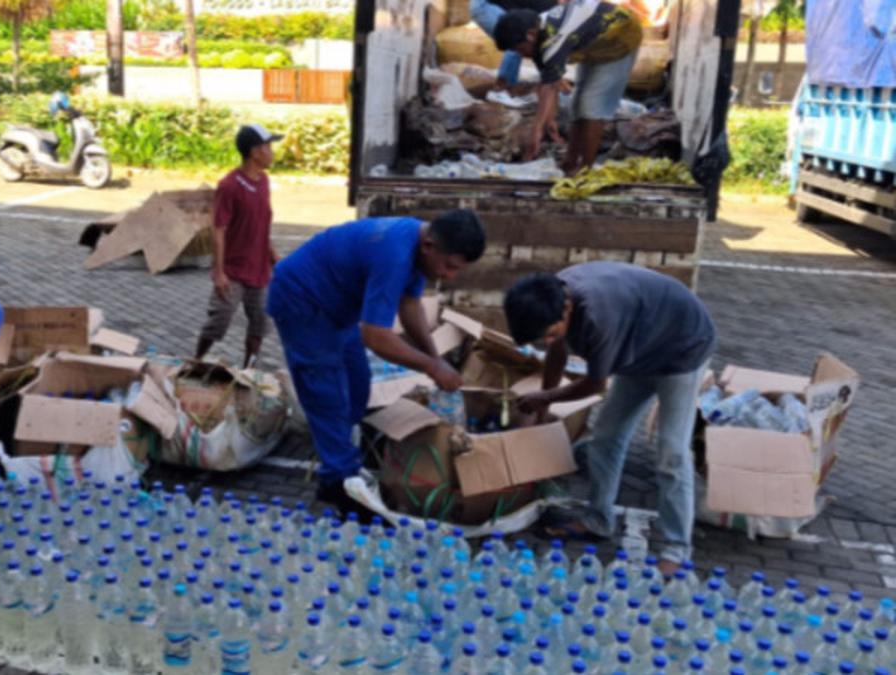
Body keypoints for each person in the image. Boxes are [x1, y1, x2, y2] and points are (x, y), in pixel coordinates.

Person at [502, 261, 716, 575]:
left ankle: (676, 547)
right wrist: (543, 409)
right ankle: (598, 520)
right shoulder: (552, 296)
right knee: (606, 436)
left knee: (671, 452)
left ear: (566, 310)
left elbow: (594, 385)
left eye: (548, 334)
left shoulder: (599, 316)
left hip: (681, 350)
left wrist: (544, 398)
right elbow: (557, 352)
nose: (547, 341)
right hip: (640, 350)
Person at [267, 210, 486, 512]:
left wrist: (436, 358)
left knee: (358, 383)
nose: (450, 276)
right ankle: (337, 484)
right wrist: (431, 366)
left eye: (457, 270)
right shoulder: (394, 254)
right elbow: (376, 337)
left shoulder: (420, 247)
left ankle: (341, 454)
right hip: (302, 299)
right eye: (449, 266)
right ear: (429, 245)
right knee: (326, 391)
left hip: (337, 308)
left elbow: (410, 306)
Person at [493, 1, 643, 173]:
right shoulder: (539, 35)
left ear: (530, 35)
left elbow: (548, 88)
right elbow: (549, 82)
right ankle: (570, 162)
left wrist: (537, 131)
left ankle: (585, 170)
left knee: (591, 107)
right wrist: (549, 120)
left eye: (519, 49)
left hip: (621, 37)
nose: (521, 54)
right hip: (595, 42)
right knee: (577, 105)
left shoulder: (553, 41)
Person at [195, 124, 281, 368]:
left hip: (259, 270)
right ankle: (196, 360)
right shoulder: (230, 186)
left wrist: (273, 255)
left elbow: (262, 223)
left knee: (259, 323)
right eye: (268, 147)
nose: (272, 153)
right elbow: (219, 229)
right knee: (219, 320)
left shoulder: (264, 182)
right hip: (233, 271)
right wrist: (219, 271)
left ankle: (248, 370)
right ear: (255, 152)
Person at [470, 0, 559, 92]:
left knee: (519, 41)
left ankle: (506, 86)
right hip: (486, 6)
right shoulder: (550, 11)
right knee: (517, 41)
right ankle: (504, 88)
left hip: (491, 7)